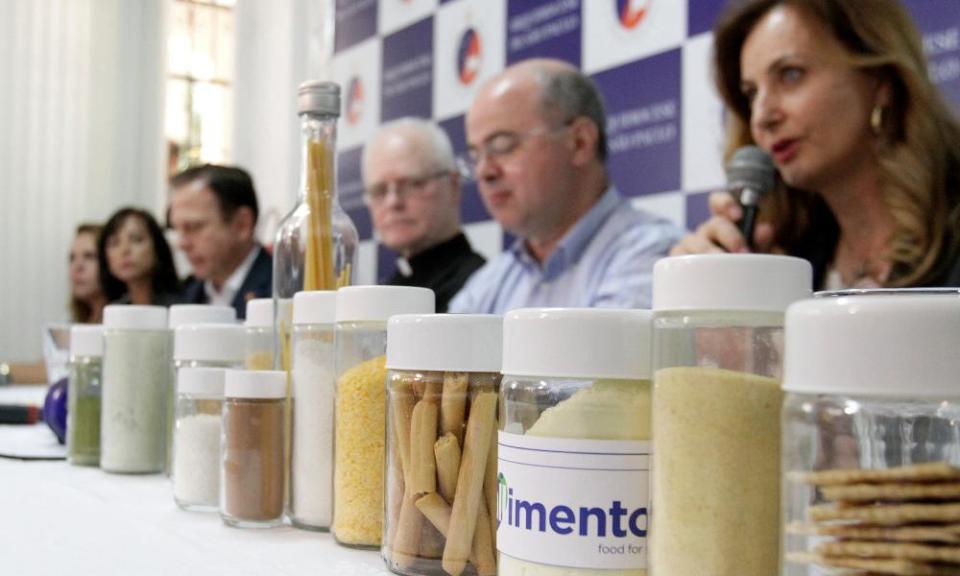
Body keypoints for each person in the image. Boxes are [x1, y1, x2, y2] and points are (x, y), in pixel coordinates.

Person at [672, 0, 960, 289]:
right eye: (751, 94)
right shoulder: (788, 254)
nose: (761, 117)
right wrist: (718, 291)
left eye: (790, 74)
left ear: (880, 80)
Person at [448, 58, 684, 313]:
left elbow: (604, 354)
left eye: (502, 146)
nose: (485, 171)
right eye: (475, 156)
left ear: (580, 142)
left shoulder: (657, 257)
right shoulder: (489, 282)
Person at [362, 118, 486, 312]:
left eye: (414, 183)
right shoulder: (386, 292)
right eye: (379, 190)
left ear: (453, 186)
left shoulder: (482, 292)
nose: (393, 201)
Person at [169, 164, 271, 319]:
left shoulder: (284, 292)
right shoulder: (187, 294)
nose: (181, 244)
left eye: (193, 227)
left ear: (242, 225)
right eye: (177, 229)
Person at [99, 207, 182, 306]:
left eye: (136, 239)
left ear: (157, 248)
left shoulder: (180, 305)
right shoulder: (113, 310)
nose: (124, 250)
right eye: (114, 243)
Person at [69, 223, 107, 323]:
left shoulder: (121, 324)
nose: (77, 266)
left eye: (89, 256)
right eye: (72, 258)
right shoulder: (72, 321)